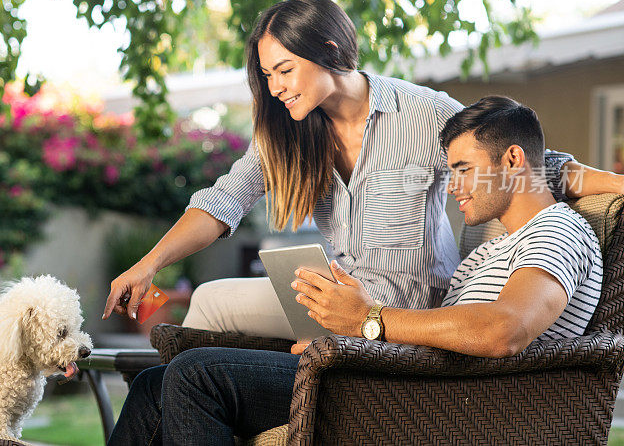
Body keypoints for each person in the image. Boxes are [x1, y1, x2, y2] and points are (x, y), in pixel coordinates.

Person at [102, 0, 620, 340]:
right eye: (267, 75)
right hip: (338, 301)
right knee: (210, 321)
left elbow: (527, 166)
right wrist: (150, 263)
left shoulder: (422, 113)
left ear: (329, 51)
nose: (276, 87)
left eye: (285, 69)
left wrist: (617, 182)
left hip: (413, 312)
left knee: (211, 312)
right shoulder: (287, 134)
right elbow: (224, 200)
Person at [106, 96, 603, 445]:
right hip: (394, 373)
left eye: (463, 170)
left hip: (436, 402)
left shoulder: (556, 231)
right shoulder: (492, 248)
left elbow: (505, 330)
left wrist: (368, 321)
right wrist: (349, 335)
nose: (452, 187)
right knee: (158, 383)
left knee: (198, 376)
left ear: (512, 159)